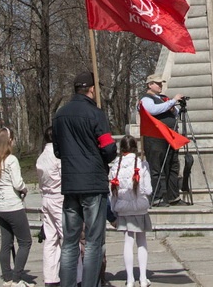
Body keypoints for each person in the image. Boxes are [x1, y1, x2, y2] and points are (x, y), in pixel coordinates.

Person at [53, 73, 118, 287]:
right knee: (93, 242)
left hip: (71, 184)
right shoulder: (95, 114)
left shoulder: (60, 115)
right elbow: (108, 147)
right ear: (91, 89)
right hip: (92, 183)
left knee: (70, 242)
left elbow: (57, 150)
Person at [0, 127, 32, 287]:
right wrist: (24, 189)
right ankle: (17, 278)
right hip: (12, 205)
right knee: (25, 241)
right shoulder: (11, 160)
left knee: (6, 242)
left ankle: (7, 277)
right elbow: (17, 183)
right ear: (9, 141)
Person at [108, 135, 153, 287]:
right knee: (142, 242)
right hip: (139, 207)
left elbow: (112, 192)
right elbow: (147, 189)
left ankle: (129, 279)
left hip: (124, 208)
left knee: (128, 242)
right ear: (135, 148)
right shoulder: (142, 164)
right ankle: (142, 277)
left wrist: (114, 208)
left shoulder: (116, 166)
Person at [138, 78, 184, 207]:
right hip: (155, 138)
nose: (160, 86)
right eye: (157, 84)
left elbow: (176, 113)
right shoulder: (146, 99)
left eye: (161, 84)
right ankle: (157, 198)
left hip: (170, 136)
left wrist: (173, 107)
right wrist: (172, 102)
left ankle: (173, 196)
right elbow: (153, 110)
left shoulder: (163, 98)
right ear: (149, 85)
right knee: (156, 167)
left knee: (173, 165)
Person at [37, 127, 63, 287]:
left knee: (51, 239)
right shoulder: (57, 156)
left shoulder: (41, 157)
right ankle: (77, 276)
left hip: (46, 198)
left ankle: (50, 278)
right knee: (68, 238)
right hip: (58, 198)